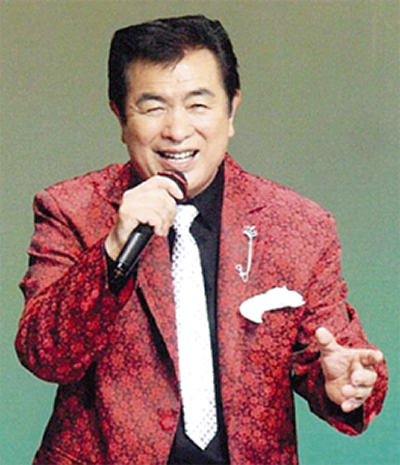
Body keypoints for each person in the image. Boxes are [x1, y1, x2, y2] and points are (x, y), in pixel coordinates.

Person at [15, 15, 387, 465]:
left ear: (231, 111)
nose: (177, 130)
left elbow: (336, 356)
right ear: (120, 116)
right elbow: (45, 356)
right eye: (153, 107)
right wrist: (112, 251)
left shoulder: (298, 225)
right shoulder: (70, 209)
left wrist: (344, 383)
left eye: (198, 105)